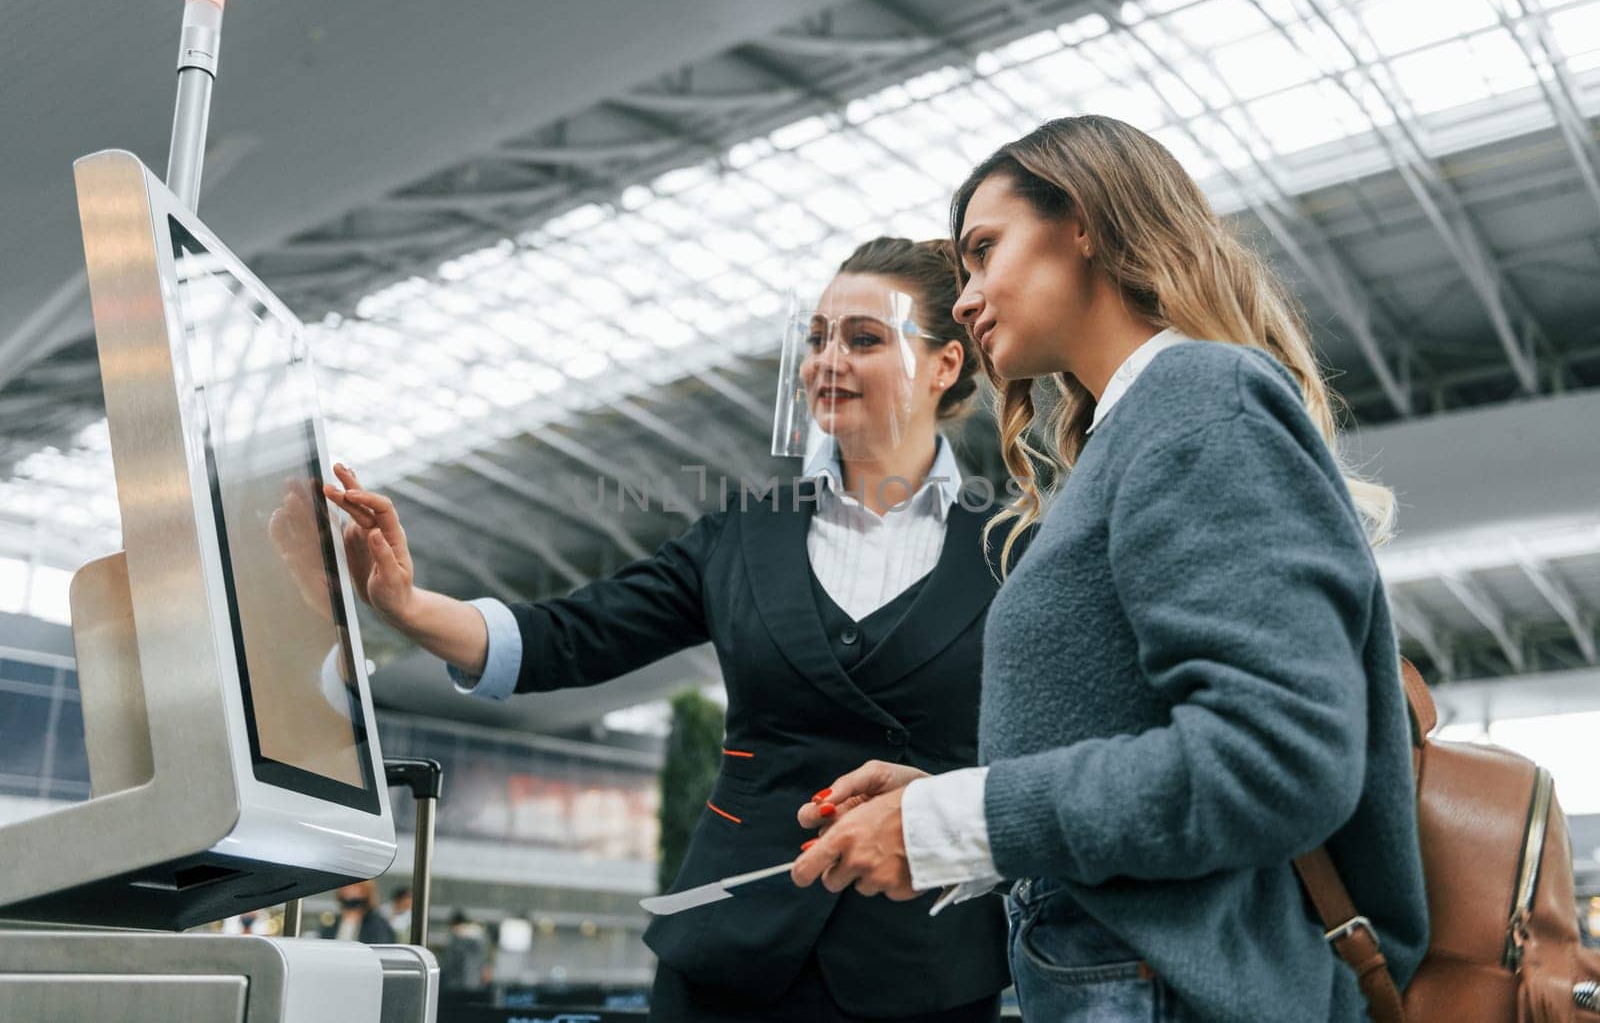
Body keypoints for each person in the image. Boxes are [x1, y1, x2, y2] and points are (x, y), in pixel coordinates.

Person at [791, 116, 1431, 1021]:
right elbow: (1142, 729)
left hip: (1176, 989)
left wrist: (963, 823)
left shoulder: (1202, 400)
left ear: (1084, 220)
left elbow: (1277, 756)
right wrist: (958, 801)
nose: (964, 299)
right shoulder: (1135, 433)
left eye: (983, 251)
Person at [324, 237, 1013, 1021]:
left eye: (864, 339)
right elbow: (573, 633)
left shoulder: (1011, 548)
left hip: (925, 967)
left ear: (945, 365)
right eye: (817, 337)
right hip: (729, 960)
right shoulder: (741, 537)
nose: (828, 360)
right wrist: (409, 607)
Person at [323, 879, 396, 945]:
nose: (351, 890)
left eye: (356, 902)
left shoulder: (379, 925)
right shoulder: (332, 923)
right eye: (347, 902)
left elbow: (381, 950)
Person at [439, 909, 490, 992]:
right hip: (474, 982)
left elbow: (450, 962)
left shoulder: (457, 939)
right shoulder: (479, 937)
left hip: (457, 983)